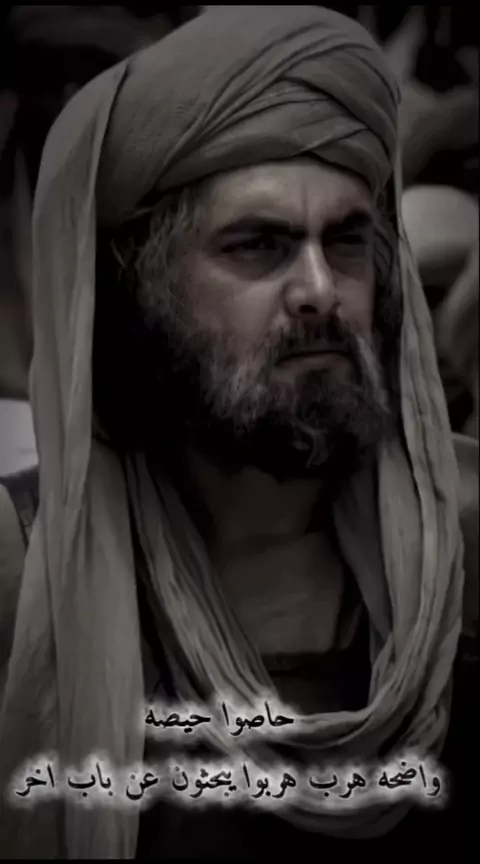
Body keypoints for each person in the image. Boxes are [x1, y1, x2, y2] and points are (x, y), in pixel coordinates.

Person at [0, 6, 477, 858]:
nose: (321, 289)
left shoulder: (468, 542)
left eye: (348, 241)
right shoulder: (22, 564)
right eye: (258, 246)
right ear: (140, 290)